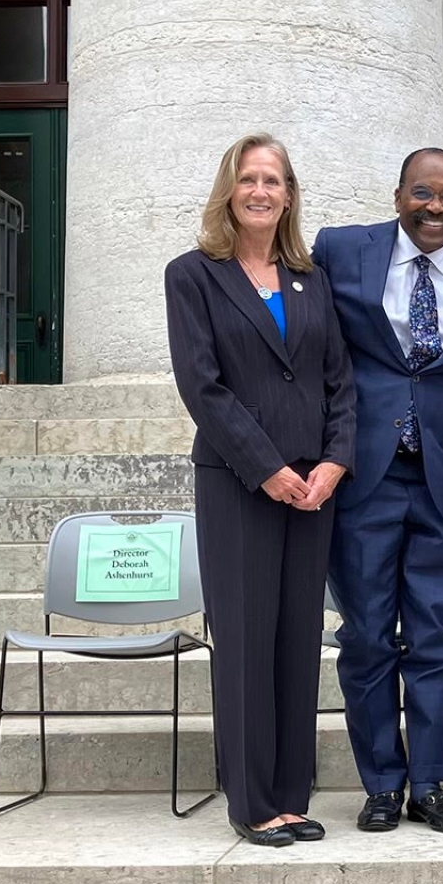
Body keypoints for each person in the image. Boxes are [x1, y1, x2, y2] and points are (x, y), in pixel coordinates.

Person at [165, 133, 356, 847]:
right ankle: (251, 802)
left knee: (296, 641)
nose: (261, 190)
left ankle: (291, 795)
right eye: (249, 178)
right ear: (230, 189)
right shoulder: (192, 275)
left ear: (289, 194)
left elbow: (341, 380)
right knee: (245, 641)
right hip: (240, 485)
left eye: (273, 179)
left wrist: (334, 463)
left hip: (313, 490)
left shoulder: (311, 278)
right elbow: (202, 387)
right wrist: (267, 467)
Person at [313, 148, 443, 834]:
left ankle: (427, 783)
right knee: (365, 636)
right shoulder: (340, 251)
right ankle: (382, 785)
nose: (435, 208)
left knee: (435, 637)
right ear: (398, 196)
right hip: (362, 478)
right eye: (423, 193)